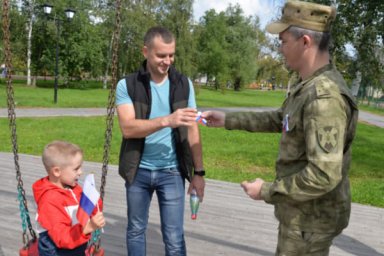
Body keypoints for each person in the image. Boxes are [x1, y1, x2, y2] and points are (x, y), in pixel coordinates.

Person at [202, 1, 358, 255]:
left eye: (284, 41)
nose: (279, 48)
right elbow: (281, 119)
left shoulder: (323, 97)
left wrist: (266, 190)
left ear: (305, 41)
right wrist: (228, 119)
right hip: (303, 216)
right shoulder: (308, 86)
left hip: (309, 221)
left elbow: (323, 175)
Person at [115, 26, 205, 256]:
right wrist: (167, 120)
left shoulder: (183, 84)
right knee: (136, 229)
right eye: (161, 55)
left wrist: (199, 173)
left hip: (172, 172)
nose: (168, 61)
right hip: (138, 171)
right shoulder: (127, 85)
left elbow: (192, 128)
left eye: (171, 55)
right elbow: (128, 128)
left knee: (174, 237)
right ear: (146, 52)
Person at [32, 141, 105, 256]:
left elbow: (90, 208)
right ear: (57, 171)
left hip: (76, 242)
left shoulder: (73, 188)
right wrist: (89, 227)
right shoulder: (49, 200)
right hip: (57, 250)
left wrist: (94, 201)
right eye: (76, 169)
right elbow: (62, 237)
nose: (80, 172)